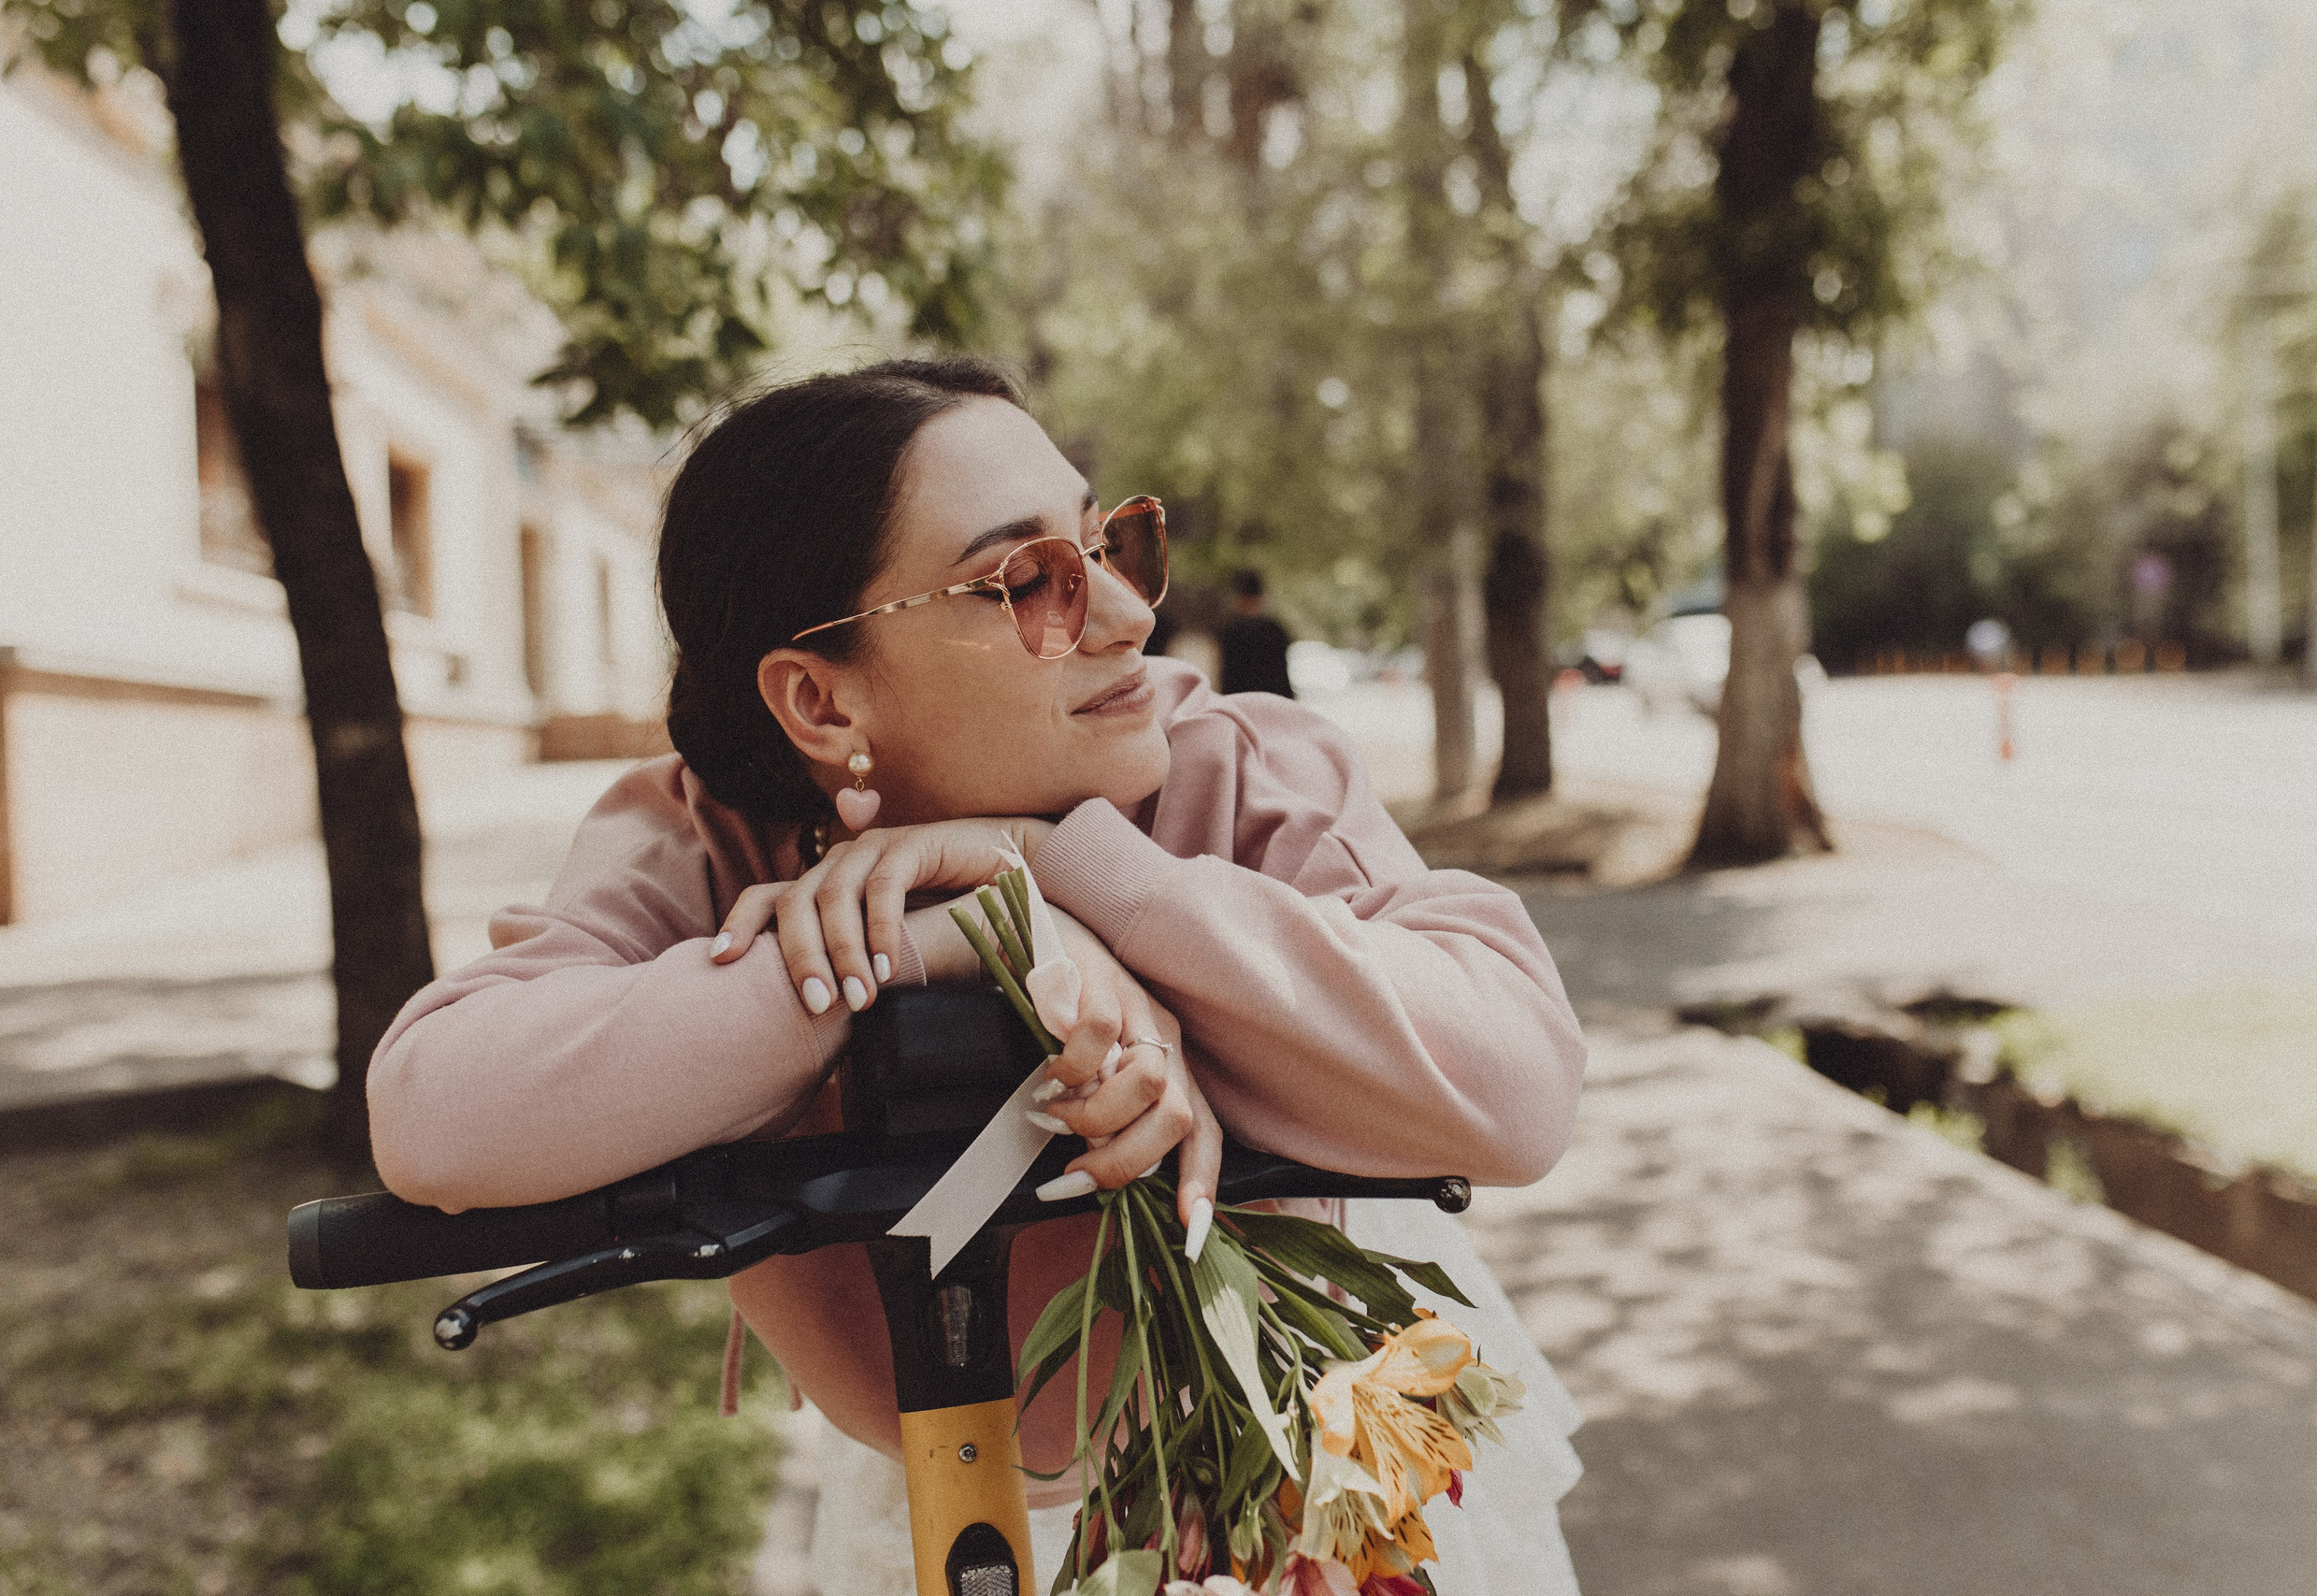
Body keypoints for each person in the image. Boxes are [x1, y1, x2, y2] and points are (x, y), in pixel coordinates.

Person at [366, 358, 1586, 1593]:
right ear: (819, 701)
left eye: (1112, 542)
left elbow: (1519, 1082)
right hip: (941, 1500)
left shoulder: (1232, 766)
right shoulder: (700, 837)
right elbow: (434, 1110)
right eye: (1027, 582)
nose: (1123, 612)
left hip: (1316, 1480)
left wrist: (1082, 871)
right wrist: (944, 931)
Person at [1215, 568, 1296, 697]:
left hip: (1241, 700)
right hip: (1271, 701)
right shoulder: (1275, 630)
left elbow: (1228, 677)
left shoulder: (1231, 630)